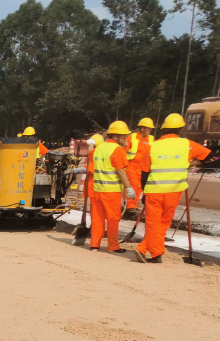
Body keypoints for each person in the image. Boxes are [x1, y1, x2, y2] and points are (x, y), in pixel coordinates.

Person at [133, 113, 211, 264]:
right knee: (164, 223)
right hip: (174, 190)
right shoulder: (187, 144)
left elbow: (144, 173)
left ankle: (148, 250)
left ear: (163, 130)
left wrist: (144, 192)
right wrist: (191, 164)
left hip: (154, 191)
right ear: (180, 130)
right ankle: (150, 251)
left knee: (152, 223)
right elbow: (210, 157)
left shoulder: (152, 146)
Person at [90, 121, 134, 253]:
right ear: (116, 136)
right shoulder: (117, 150)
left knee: (97, 218)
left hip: (98, 190)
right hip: (111, 192)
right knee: (113, 219)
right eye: (123, 136)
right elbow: (121, 171)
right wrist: (129, 188)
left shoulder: (99, 149)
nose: (125, 138)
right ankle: (113, 246)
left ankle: (94, 245)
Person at [124, 117, 155, 213]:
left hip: (144, 167)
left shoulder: (151, 139)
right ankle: (130, 206)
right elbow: (123, 151)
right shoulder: (131, 138)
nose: (150, 130)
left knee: (140, 187)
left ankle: (133, 204)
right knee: (135, 185)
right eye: (148, 128)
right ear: (142, 128)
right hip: (132, 165)